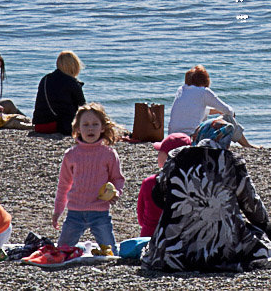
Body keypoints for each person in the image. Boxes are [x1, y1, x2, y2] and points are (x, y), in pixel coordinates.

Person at [142, 119, 271, 272]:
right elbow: (253, 208)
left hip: (173, 250)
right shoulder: (232, 162)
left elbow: (158, 196)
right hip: (223, 250)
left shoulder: (176, 157)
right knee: (269, 229)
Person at [52, 103, 127, 255]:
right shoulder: (71, 155)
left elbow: (117, 179)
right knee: (61, 252)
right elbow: (63, 185)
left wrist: (116, 192)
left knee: (112, 254)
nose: (90, 128)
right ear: (78, 129)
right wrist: (58, 211)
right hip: (75, 212)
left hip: (100, 212)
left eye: (95, 124)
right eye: (85, 125)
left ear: (103, 128)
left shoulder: (109, 154)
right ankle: (81, 249)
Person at [168, 64, 255, 147]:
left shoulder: (181, 90)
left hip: (173, 138)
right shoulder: (204, 92)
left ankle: (246, 145)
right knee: (228, 118)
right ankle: (247, 145)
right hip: (192, 139)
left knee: (216, 118)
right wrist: (230, 114)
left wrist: (217, 111)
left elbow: (195, 111)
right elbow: (229, 111)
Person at [137, 132, 191, 238]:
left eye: (160, 151)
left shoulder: (149, 182)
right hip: (179, 239)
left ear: (167, 156)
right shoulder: (191, 184)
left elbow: (141, 220)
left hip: (149, 238)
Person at [32, 50, 87, 134]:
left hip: (40, 126)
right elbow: (83, 106)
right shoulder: (72, 82)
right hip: (60, 126)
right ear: (75, 65)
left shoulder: (45, 79)